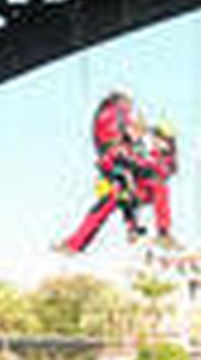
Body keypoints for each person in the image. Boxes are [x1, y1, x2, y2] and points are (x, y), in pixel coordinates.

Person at [55, 91, 159, 253]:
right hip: (116, 157)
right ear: (121, 102)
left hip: (109, 161)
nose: (130, 108)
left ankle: (131, 227)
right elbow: (132, 133)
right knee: (133, 188)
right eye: (129, 105)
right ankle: (133, 227)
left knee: (116, 198)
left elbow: (125, 134)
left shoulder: (105, 114)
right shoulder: (116, 113)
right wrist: (144, 132)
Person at [136, 121, 181, 251]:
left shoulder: (168, 156)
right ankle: (156, 233)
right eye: (165, 140)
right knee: (159, 187)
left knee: (160, 188)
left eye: (170, 141)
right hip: (137, 187)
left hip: (149, 189)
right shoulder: (146, 148)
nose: (168, 144)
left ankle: (163, 234)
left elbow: (169, 170)